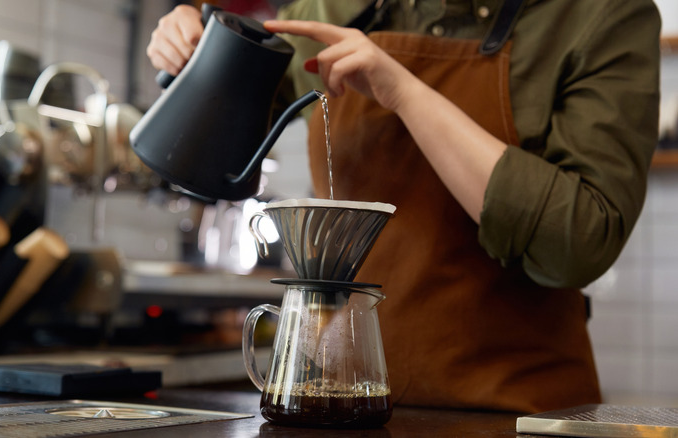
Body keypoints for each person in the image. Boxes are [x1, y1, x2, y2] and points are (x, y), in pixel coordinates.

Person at [146, 0, 662, 413]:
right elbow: (214, 152)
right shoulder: (335, 7)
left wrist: (404, 93)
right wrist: (199, 40)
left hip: (520, 415)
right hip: (344, 408)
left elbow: (580, 242)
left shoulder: (605, 15)